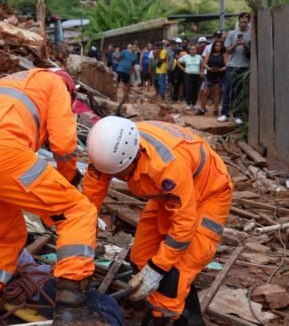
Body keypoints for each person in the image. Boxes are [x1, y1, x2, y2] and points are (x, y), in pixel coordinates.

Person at [0, 68, 107, 324]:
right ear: (71, 91)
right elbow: (64, 145)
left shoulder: (3, 83)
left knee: (7, 233)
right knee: (78, 212)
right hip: (3, 151)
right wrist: (68, 179)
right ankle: (71, 307)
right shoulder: (56, 85)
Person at [83, 117, 232, 326]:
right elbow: (88, 205)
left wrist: (158, 268)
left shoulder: (167, 167)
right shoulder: (103, 155)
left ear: (135, 157)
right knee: (141, 257)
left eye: (120, 174)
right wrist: (81, 252)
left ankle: (165, 316)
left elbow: (183, 227)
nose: (114, 177)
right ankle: (188, 315)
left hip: (208, 190)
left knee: (176, 273)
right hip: (166, 195)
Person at [219, 13, 251, 124]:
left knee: (239, 91)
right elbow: (228, 51)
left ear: (248, 22)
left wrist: (245, 44)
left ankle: (237, 115)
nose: (243, 24)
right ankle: (224, 113)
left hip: (245, 66)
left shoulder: (252, 34)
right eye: (241, 22)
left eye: (245, 22)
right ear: (238, 21)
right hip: (232, 65)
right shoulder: (232, 34)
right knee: (227, 89)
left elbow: (253, 51)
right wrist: (235, 45)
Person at [197, 40, 226, 115]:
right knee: (205, 92)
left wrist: (219, 69)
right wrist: (209, 68)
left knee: (217, 93)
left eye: (219, 45)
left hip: (219, 76)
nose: (218, 47)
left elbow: (227, 65)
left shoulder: (224, 55)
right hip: (209, 75)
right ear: (214, 46)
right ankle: (202, 108)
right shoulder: (209, 54)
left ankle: (215, 109)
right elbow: (204, 63)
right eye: (216, 45)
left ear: (221, 47)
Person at [178, 45, 203, 110]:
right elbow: (178, 62)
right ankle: (188, 104)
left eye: (194, 49)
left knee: (195, 90)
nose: (193, 51)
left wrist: (201, 71)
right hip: (188, 74)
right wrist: (183, 69)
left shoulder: (199, 57)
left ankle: (194, 104)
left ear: (196, 50)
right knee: (188, 89)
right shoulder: (186, 57)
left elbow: (202, 64)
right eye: (191, 49)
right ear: (189, 50)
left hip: (196, 75)